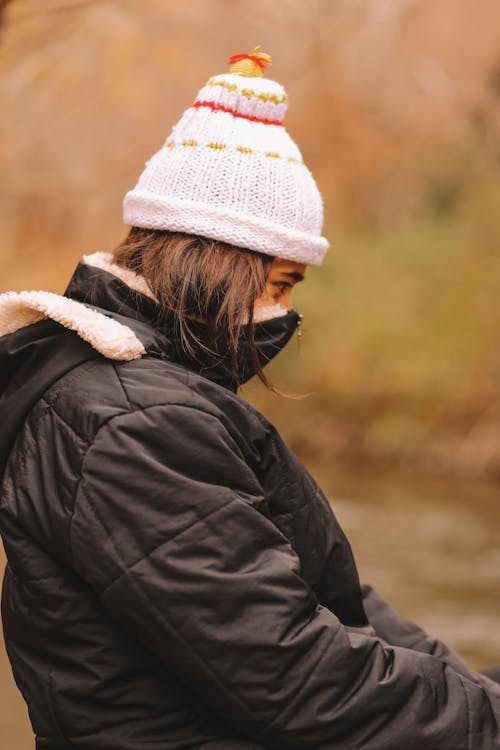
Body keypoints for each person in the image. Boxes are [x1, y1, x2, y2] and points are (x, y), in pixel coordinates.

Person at [0, 48, 499, 750]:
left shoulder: (138, 396)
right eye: (282, 283)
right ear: (219, 263)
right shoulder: (133, 422)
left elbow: (336, 608)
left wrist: (479, 694)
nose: (286, 313)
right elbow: (292, 677)